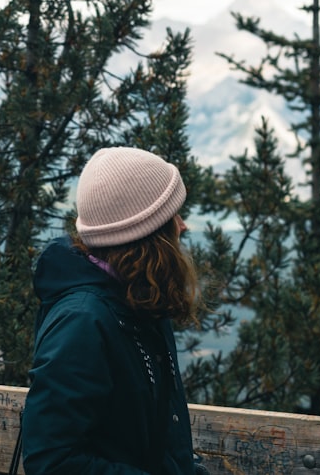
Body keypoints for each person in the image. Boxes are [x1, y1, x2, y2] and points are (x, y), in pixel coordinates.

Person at [21, 147, 203, 474]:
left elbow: (154, 435)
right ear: (148, 235)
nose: (183, 225)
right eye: (172, 215)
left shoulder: (138, 304)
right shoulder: (82, 322)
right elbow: (52, 461)